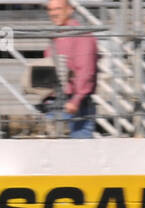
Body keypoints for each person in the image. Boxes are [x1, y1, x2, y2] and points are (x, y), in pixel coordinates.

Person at [46, 0, 97, 137]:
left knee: (79, 154)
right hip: (55, 102)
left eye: (58, 9)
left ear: (70, 9)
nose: (53, 13)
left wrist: (76, 100)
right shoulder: (55, 35)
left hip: (73, 105)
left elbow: (86, 70)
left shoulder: (81, 34)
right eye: (50, 10)